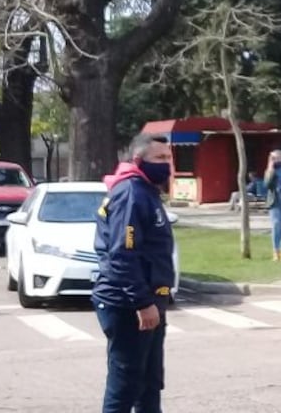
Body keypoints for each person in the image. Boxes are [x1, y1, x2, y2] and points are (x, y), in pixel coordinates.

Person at [93, 133, 175, 413]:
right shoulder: (131, 193)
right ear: (139, 160)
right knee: (126, 387)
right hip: (129, 305)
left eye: (168, 158)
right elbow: (122, 254)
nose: (167, 164)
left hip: (151, 302)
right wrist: (142, 303)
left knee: (149, 384)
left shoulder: (145, 191)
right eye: (160, 158)